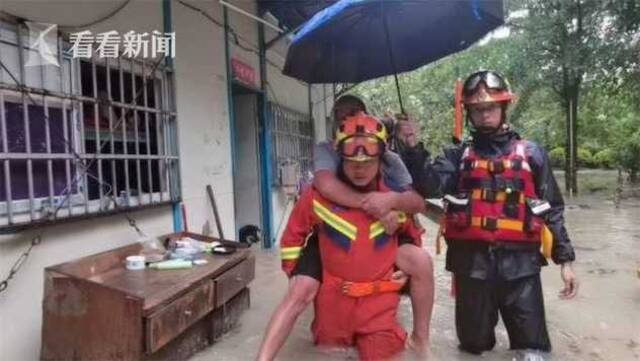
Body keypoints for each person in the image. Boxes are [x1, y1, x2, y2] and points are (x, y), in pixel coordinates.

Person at [399, 70, 578, 361]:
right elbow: (428, 185)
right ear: (468, 113)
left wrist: (566, 262)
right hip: (472, 266)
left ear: (503, 107)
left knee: (533, 351)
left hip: (521, 268)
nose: (484, 115)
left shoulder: (532, 153)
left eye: (491, 108)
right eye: (477, 110)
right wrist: (411, 148)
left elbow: (553, 208)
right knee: (473, 347)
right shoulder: (457, 157)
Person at [257, 96, 434, 360]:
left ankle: (422, 340)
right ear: (339, 155)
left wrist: (404, 271)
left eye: (368, 163)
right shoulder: (319, 188)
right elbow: (293, 236)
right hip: (334, 293)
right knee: (324, 344)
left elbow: (414, 223)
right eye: (352, 162)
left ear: (381, 158)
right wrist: (294, 272)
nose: (360, 169)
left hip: (376, 306)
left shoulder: (392, 184)